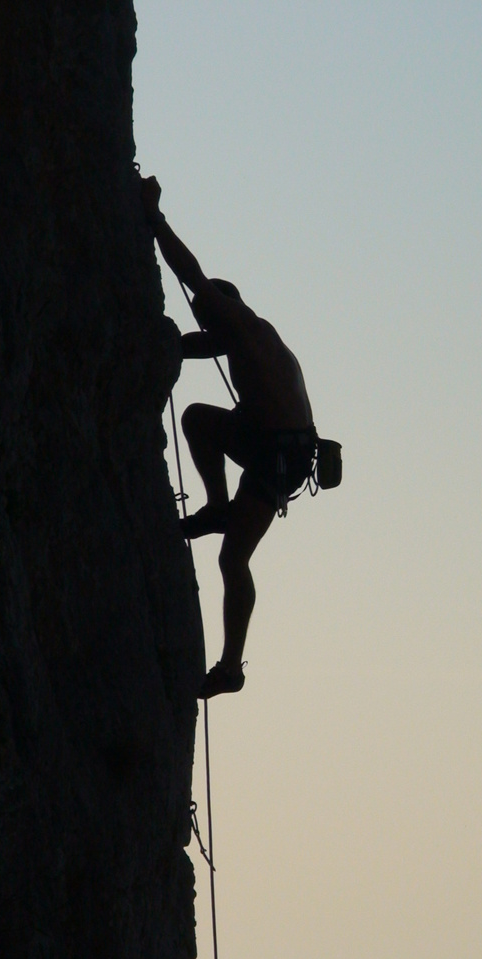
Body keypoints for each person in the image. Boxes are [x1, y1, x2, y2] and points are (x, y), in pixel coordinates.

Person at [141, 176, 316, 699]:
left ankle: (231, 666)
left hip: (279, 457)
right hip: (279, 447)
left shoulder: (243, 324)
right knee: (197, 418)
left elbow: (190, 274)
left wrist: (154, 218)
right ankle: (217, 505)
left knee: (232, 560)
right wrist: (160, 339)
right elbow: (194, 346)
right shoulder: (245, 339)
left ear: (223, 308)